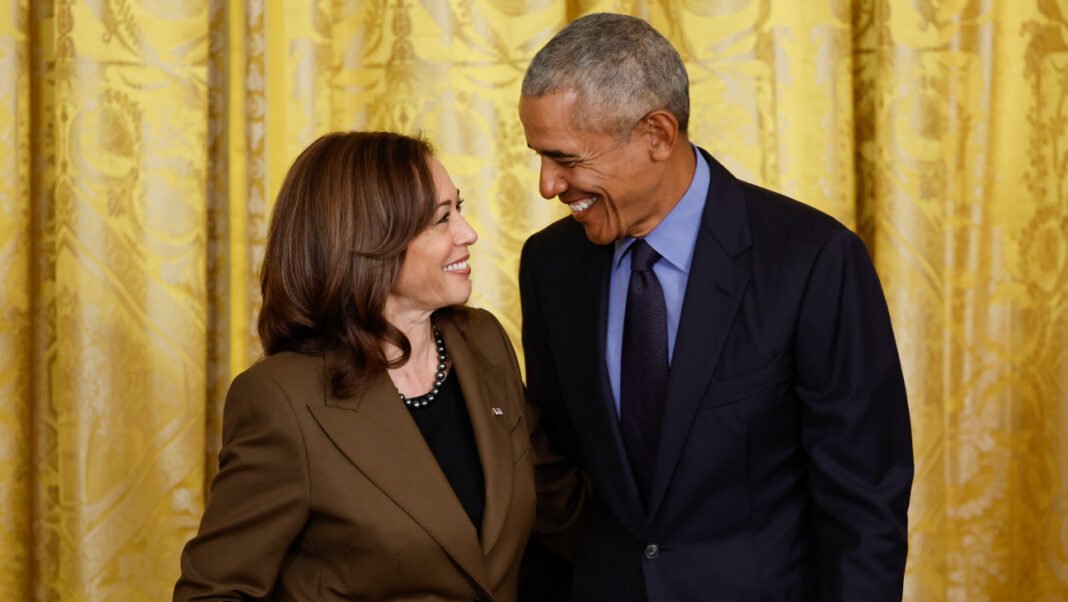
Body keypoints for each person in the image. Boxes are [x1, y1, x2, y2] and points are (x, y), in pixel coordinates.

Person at [517, 13, 914, 601]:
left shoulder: (812, 261)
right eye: (538, 157)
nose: (548, 185)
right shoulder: (550, 264)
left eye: (567, 159)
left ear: (657, 133)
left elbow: (865, 507)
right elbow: (556, 475)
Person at [175, 131, 577, 601]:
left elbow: (558, 505)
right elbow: (212, 593)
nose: (468, 233)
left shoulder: (482, 341)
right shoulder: (281, 399)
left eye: (459, 209)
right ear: (368, 242)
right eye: (441, 219)